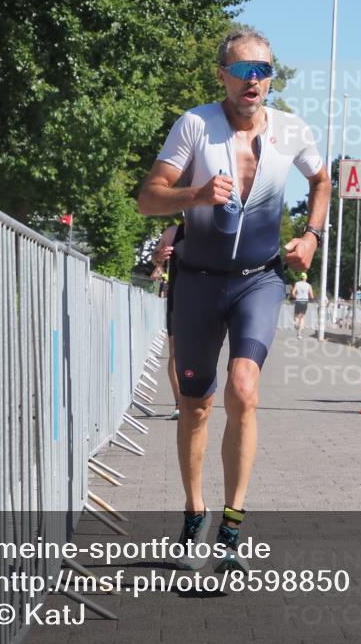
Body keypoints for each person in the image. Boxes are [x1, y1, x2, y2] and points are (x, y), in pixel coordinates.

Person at [138, 28, 330, 573]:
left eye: (263, 71)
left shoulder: (291, 130)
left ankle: (232, 524)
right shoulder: (195, 125)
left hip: (258, 279)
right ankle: (194, 510)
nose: (254, 81)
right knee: (195, 405)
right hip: (197, 279)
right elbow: (147, 199)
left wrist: (312, 236)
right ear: (222, 74)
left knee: (244, 390)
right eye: (243, 70)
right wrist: (194, 195)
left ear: (272, 77)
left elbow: (322, 182)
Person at [152, 223, 186, 420]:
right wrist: (159, 256)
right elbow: (156, 257)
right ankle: (179, 402)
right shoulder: (173, 232)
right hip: (177, 299)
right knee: (175, 353)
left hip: (207, 299)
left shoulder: (217, 227)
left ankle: (197, 397)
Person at [290, 272, 314, 338]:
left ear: (300, 277)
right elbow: (312, 296)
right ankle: (299, 334)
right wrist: (310, 298)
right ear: (306, 278)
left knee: (296, 316)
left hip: (298, 301)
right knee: (302, 317)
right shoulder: (309, 285)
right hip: (305, 302)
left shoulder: (297, 284)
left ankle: (296, 324)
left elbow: (293, 292)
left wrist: (295, 297)